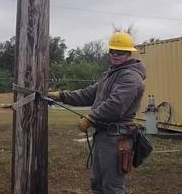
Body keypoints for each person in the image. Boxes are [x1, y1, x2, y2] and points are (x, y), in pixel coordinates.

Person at [49, 32, 146, 194]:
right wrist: (62, 95)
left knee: (112, 188)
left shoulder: (131, 77)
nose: (115, 55)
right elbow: (88, 94)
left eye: (120, 52)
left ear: (129, 53)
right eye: (112, 51)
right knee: (97, 184)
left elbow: (115, 105)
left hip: (117, 139)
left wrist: (90, 118)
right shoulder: (110, 74)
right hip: (103, 136)